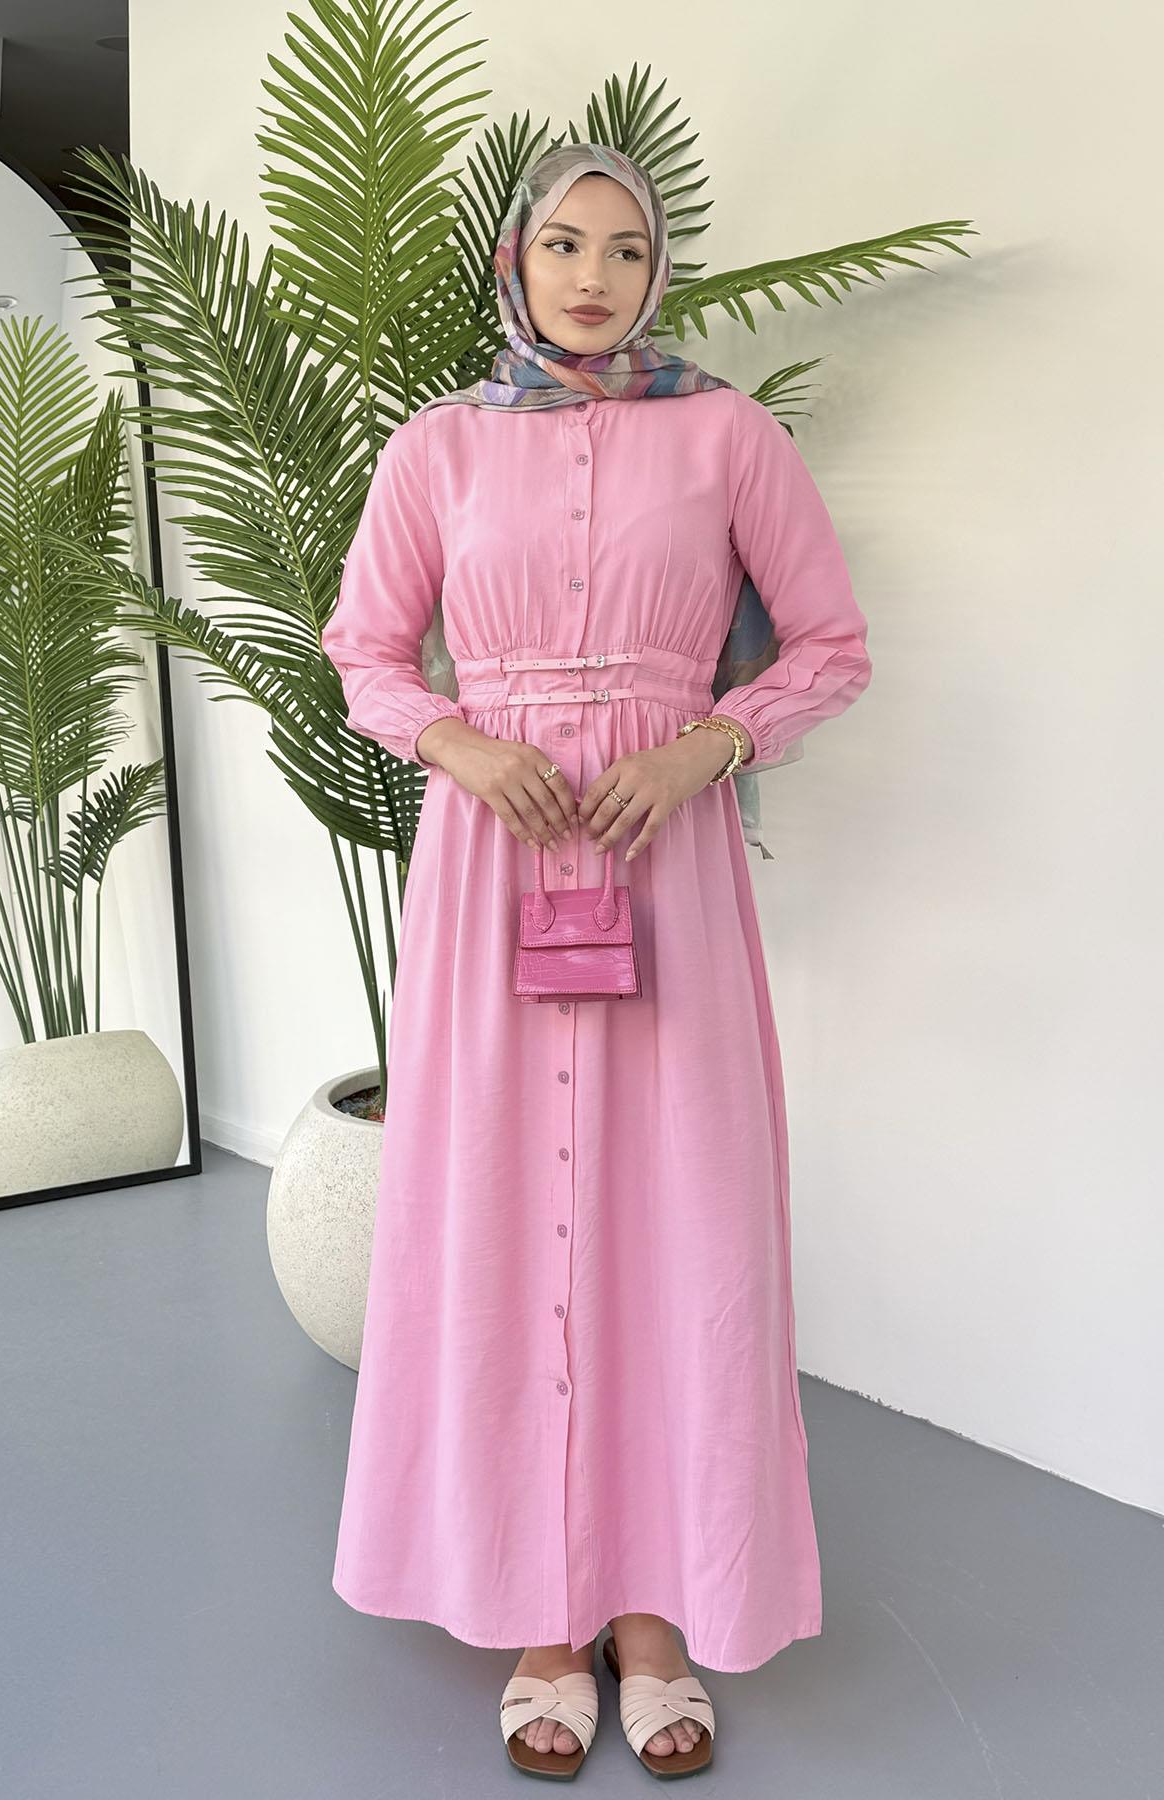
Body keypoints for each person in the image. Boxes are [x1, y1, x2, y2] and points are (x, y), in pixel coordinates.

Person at [321, 142, 873, 1779]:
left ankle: (653, 1614)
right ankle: (540, 1619)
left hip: (663, 864)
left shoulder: (728, 435)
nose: (592, 275)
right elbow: (364, 648)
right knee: (499, 1215)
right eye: (564, 243)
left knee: (678, 1224)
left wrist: (712, 742)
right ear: (519, 260)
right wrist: (459, 741)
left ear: (657, 274)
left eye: (625, 250)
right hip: (493, 867)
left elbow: (830, 643)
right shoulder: (437, 448)